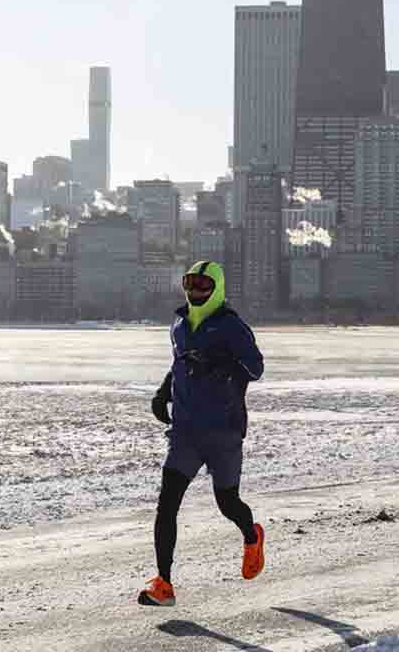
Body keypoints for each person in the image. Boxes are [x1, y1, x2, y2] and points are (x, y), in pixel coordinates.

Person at [137, 260, 265, 607]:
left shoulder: (232, 327)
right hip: (186, 432)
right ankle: (163, 584)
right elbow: (178, 363)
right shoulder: (179, 324)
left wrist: (222, 362)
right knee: (167, 504)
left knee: (227, 502)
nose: (195, 291)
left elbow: (256, 368)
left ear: (217, 289)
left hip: (223, 432)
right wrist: (163, 393)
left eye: (203, 285)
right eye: (190, 284)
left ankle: (252, 536)